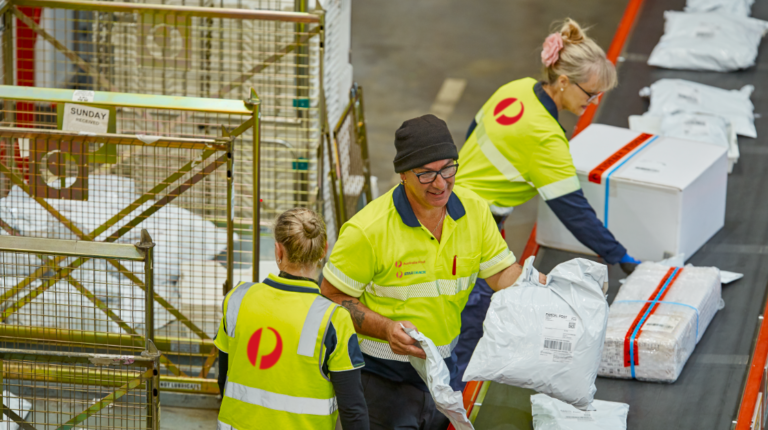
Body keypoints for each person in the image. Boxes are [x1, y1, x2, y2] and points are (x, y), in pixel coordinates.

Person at [321, 114, 547, 430]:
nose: (441, 183)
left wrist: (542, 289)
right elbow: (331, 298)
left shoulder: (474, 211)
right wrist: (386, 328)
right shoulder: (368, 231)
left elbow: (500, 273)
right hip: (383, 378)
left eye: (447, 169)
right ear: (403, 174)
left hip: (443, 372)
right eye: (426, 174)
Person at [452, 18, 640, 387]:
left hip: (454, 204)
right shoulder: (545, 137)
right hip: (476, 225)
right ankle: (449, 404)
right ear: (565, 82)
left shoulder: (516, 89)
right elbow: (572, 209)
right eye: (590, 94)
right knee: (473, 318)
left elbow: (473, 133)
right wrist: (618, 254)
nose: (593, 102)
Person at [215, 208, 368, 430]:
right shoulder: (333, 320)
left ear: (278, 250)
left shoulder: (237, 300)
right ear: (323, 250)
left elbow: (224, 378)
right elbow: (353, 409)